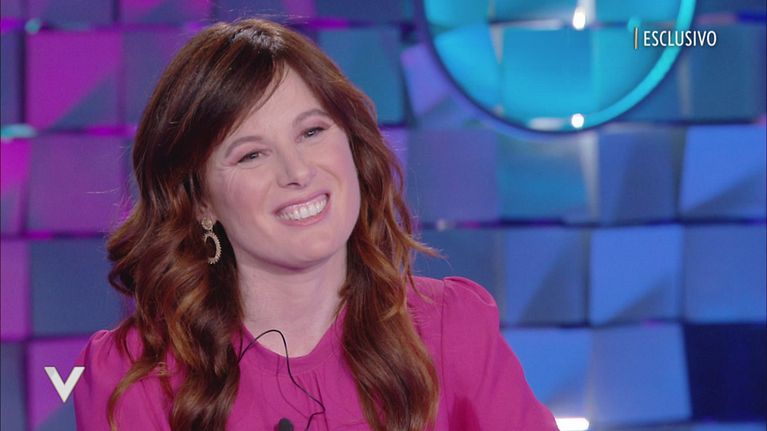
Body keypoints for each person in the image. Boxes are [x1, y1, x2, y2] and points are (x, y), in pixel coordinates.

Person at [73, 18, 558, 431]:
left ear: (352, 144)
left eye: (312, 131)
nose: (298, 172)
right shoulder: (135, 376)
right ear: (200, 202)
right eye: (251, 154)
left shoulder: (451, 327)